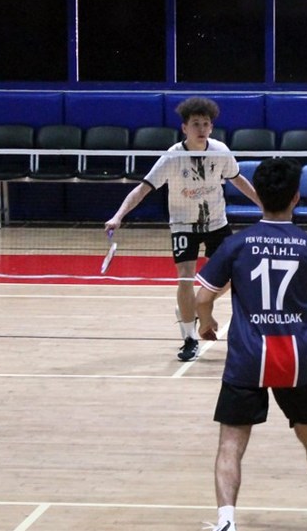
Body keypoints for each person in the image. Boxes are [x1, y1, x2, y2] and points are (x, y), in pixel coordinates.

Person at [191, 157, 307, 531]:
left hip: (246, 358)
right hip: (295, 361)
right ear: (296, 197)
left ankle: (225, 521)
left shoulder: (236, 244)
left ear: (259, 197)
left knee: (231, 444)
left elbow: (202, 297)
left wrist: (207, 322)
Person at [104, 97, 261, 362]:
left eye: (206, 124)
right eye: (196, 124)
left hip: (216, 223)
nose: (201, 129)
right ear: (184, 128)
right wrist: (118, 216)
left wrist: (264, 205)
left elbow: (238, 180)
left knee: (236, 275)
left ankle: (197, 305)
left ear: (212, 127)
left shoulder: (220, 151)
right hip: (183, 225)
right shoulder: (172, 157)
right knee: (185, 277)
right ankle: (189, 338)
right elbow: (143, 189)